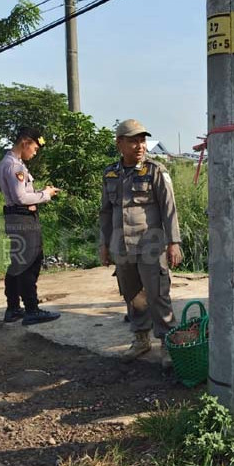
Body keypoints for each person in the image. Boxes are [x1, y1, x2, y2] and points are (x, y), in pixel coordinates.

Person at [99, 119, 183, 368]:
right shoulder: (110, 174)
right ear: (120, 143)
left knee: (158, 296)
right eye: (133, 140)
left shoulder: (155, 171)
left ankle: (167, 342)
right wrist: (104, 244)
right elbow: (105, 212)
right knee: (133, 296)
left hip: (151, 246)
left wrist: (174, 242)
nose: (140, 146)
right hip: (122, 247)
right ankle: (140, 339)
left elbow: (170, 209)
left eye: (142, 140)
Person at [0, 127, 61, 325]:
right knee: (29, 263)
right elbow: (21, 197)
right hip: (23, 219)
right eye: (34, 147)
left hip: (17, 218)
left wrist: (42, 192)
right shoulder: (15, 166)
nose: (35, 151)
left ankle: (13, 308)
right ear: (25, 142)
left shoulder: (8, 163)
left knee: (18, 263)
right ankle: (31, 309)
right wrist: (46, 195)